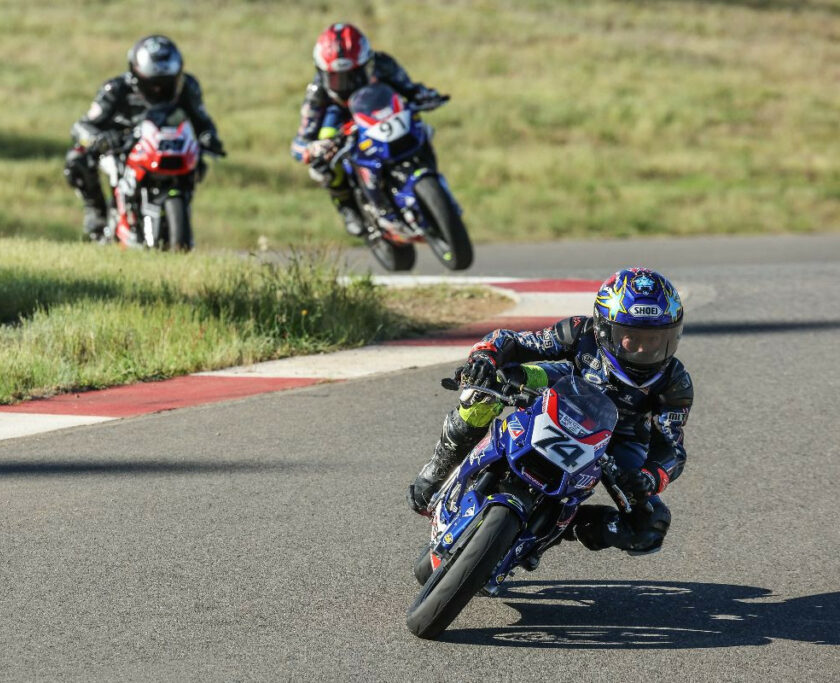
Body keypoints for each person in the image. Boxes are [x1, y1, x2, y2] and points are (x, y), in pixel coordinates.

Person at [407, 267, 693, 562]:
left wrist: (650, 476)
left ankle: (557, 527)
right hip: (566, 390)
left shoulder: (675, 382)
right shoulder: (580, 332)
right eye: (632, 338)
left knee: (650, 528)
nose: (645, 349)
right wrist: (485, 357)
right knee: (492, 382)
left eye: (657, 340)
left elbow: (671, 446)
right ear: (603, 328)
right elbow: (514, 342)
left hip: (620, 440)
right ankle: (443, 463)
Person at [64, 35, 225, 241]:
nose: (158, 90)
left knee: (199, 162)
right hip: (123, 147)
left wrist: (209, 138)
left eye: (165, 84)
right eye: (152, 84)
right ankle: (97, 215)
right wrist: (100, 138)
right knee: (77, 157)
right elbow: (82, 126)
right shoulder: (116, 89)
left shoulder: (188, 87)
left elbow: (203, 122)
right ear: (136, 74)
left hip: (170, 146)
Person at [290, 22, 444, 237]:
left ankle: (428, 175)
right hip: (341, 122)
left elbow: (409, 88)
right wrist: (314, 148)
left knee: (418, 123)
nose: (345, 84)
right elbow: (299, 143)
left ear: (367, 63)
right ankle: (347, 206)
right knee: (321, 164)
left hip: (378, 107)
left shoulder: (384, 65)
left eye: (354, 75)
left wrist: (426, 96)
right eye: (336, 78)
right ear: (322, 73)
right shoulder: (317, 94)